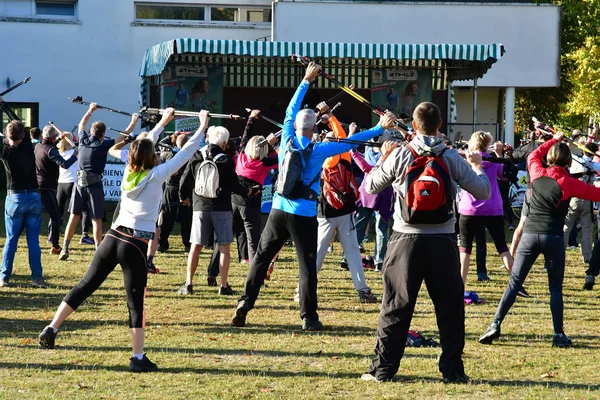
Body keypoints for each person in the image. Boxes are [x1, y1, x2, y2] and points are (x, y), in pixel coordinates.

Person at [231, 61, 396, 331]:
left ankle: (245, 302)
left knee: (261, 258)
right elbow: (352, 142)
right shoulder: (320, 149)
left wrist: (306, 80)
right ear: (312, 129)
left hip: (278, 209)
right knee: (307, 266)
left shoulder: (285, 139)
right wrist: (379, 128)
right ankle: (309, 317)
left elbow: (289, 111)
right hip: (304, 213)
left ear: (296, 126)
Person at [37, 109, 205, 372]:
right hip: (134, 243)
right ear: (152, 156)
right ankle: (137, 358)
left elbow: (144, 142)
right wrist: (203, 125)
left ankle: (52, 327)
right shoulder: (157, 174)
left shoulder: (130, 169)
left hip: (112, 237)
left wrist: (163, 122)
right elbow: (187, 152)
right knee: (135, 301)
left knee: (85, 285)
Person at [361, 102, 491, 384]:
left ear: (415, 125)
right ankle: (453, 372)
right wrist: (477, 167)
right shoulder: (451, 157)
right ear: (440, 123)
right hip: (443, 240)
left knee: (395, 306)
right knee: (450, 309)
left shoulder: (402, 155)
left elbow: (370, 186)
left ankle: (383, 370)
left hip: (404, 239)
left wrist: (385, 161)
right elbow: (482, 191)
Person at [479, 131, 600, 348]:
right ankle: (558, 334)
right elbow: (596, 194)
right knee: (555, 287)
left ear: (550, 158)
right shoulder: (569, 183)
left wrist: (555, 139)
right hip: (552, 237)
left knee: (514, 284)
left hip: (529, 236)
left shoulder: (536, 171)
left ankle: (494, 324)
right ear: (568, 161)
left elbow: (533, 154)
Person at [178, 122, 255, 295]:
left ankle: (189, 284)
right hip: (222, 207)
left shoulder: (197, 156)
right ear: (224, 143)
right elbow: (235, 185)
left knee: (195, 247)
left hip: (200, 207)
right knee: (224, 248)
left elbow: (185, 180)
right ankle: (224, 285)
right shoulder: (226, 160)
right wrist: (247, 191)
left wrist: (184, 198)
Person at [314, 104, 377, 303]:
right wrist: (330, 116)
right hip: (344, 209)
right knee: (350, 252)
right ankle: (362, 289)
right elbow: (344, 138)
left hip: (328, 209)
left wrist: (329, 118)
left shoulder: (323, 155)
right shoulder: (340, 154)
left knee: (320, 252)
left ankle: (303, 288)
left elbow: (342, 137)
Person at [59, 102, 125, 259]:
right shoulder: (103, 144)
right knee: (96, 218)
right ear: (102, 135)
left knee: (74, 217)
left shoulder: (82, 140)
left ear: (91, 132)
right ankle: (98, 251)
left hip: (79, 183)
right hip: (94, 184)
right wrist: (134, 122)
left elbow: (82, 124)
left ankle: (65, 248)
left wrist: (90, 110)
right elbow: (124, 136)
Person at [457, 132, 520, 291]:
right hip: (492, 207)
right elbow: (503, 176)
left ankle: (459, 285)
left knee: (465, 249)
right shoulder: (493, 161)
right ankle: (516, 285)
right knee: (502, 248)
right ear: (487, 145)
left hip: (469, 208)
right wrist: (499, 154)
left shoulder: (466, 160)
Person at [0, 106, 48, 288]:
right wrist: (4, 105)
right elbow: (21, 125)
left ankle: (4, 277)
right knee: (33, 240)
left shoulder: (5, 152)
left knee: (11, 239)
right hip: (34, 196)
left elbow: (15, 130)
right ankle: (37, 277)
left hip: (15, 197)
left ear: (7, 136)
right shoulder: (30, 146)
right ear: (22, 136)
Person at [35, 125, 78, 254]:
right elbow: (64, 164)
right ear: (53, 137)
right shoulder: (51, 150)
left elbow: (49, 147)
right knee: (55, 217)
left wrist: (59, 140)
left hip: (37, 185)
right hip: (47, 187)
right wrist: (75, 155)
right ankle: (55, 246)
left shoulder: (38, 146)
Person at [157, 132, 192, 253]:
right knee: (186, 219)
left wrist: (173, 136)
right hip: (186, 189)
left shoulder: (170, 154)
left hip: (171, 188)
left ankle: (162, 243)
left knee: (167, 217)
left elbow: (160, 143)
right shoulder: (191, 155)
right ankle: (187, 245)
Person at [56, 132, 94, 245]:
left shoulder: (59, 152)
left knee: (59, 211)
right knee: (85, 210)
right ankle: (85, 235)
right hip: (72, 183)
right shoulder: (75, 152)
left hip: (61, 184)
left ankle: (52, 234)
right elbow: (82, 148)